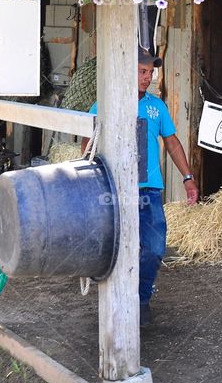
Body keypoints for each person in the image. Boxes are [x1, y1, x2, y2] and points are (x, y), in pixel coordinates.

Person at [84, 49, 198, 324]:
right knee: (116, 249)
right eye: (142, 72)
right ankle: (117, 301)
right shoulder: (105, 105)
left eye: (151, 73)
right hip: (114, 191)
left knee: (154, 249)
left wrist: (187, 177)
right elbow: (88, 146)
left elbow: (172, 142)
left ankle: (141, 298)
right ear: (127, 72)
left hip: (149, 191)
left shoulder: (156, 106)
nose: (148, 78)